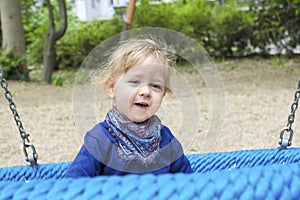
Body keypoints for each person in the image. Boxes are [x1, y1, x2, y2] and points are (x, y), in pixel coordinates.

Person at [65, 38, 193, 177]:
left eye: (155, 86)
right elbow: (74, 183)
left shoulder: (166, 139)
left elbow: (188, 181)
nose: (145, 91)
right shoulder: (100, 139)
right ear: (111, 87)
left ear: (163, 94)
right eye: (134, 82)